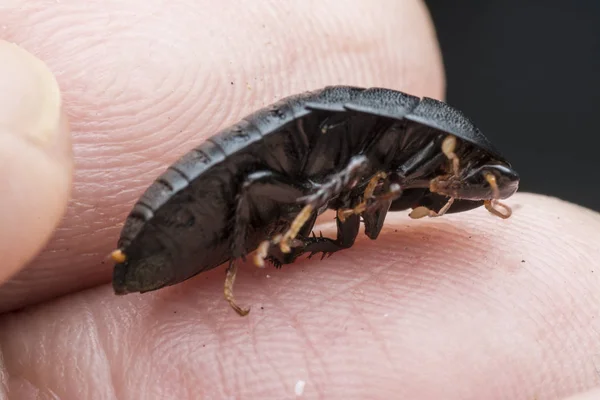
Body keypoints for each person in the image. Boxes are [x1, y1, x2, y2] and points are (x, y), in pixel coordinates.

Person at [0, 1, 599, 398]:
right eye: (468, 180)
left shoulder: (399, 165)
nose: (459, 193)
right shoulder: (388, 152)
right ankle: (251, 249)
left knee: (342, 207)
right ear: (451, 154)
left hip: (261, 191)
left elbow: (358, 217)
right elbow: (365, 168)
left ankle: (264, 245)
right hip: (209, 198)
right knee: (332, 179)